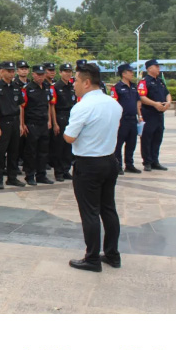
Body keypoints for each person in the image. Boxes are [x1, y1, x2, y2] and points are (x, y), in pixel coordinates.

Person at [64, 62, 122, 272]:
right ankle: (112, 254)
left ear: (87, 83)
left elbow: (69, 137)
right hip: (109, 160)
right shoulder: (113, 104)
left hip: (89, 164)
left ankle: (92, 258)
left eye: (77, 81)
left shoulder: (83, 106)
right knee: (108, 209)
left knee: (90, 212)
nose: (74, 85)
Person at [0, 61, 26, 189]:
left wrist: (21, 124)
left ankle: (12, 178)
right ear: (2, 71)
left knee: (14, 152)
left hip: (14, 121)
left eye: (12, 71)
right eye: (8, 71)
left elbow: (20, 106)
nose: (11, 74)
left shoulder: (16, 86)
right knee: (0, 153)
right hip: (2, 122)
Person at [21, 65, 55, 185]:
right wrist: (22, 124)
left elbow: (48, 105)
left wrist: (49, 120)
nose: (40, 77)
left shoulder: (46, 87)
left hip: (43, 123)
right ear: (33, 74)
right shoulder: (28, 88)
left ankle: (41, 175)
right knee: (31, 151)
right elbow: (22, 107)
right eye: (38, 74)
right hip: (32, 123)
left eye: (42, 74)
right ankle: (30, 175)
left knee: (43, 151)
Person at [138, 59, 171, 171]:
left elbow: (167, 93)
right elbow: (141, 97)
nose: (158, 68)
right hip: (149, 113)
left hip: (159, 114)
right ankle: (147, 162)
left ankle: (155, 161)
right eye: (156, 66)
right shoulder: (144, 82)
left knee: (158, 137)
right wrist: (155, 104)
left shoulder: (160, 81)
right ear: (149, 68)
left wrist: (168, 103)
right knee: (147, 138)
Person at [111, 63, 143, 175]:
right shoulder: (117, 87)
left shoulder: (133, 86)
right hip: (122, 120)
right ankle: (118, 165)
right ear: (123, 74)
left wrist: (140, 115)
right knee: (119, 143)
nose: (132, 73)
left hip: (132, 119)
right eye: (130, 72)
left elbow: (137, 102)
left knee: (131, 143)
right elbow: (113, 103)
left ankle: (129, 165)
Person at [50, 63, 76, 181]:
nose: (68, 73)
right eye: (65, 71)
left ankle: (66, 169)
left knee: (68, 146)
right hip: (60, 116)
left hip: (70, 116)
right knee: (59, 146)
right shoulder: (56, 87)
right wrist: (55, 123)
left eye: (69, 71)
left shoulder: (72, 86)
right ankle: (59, 172)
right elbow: (52, 106)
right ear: (60, 73)